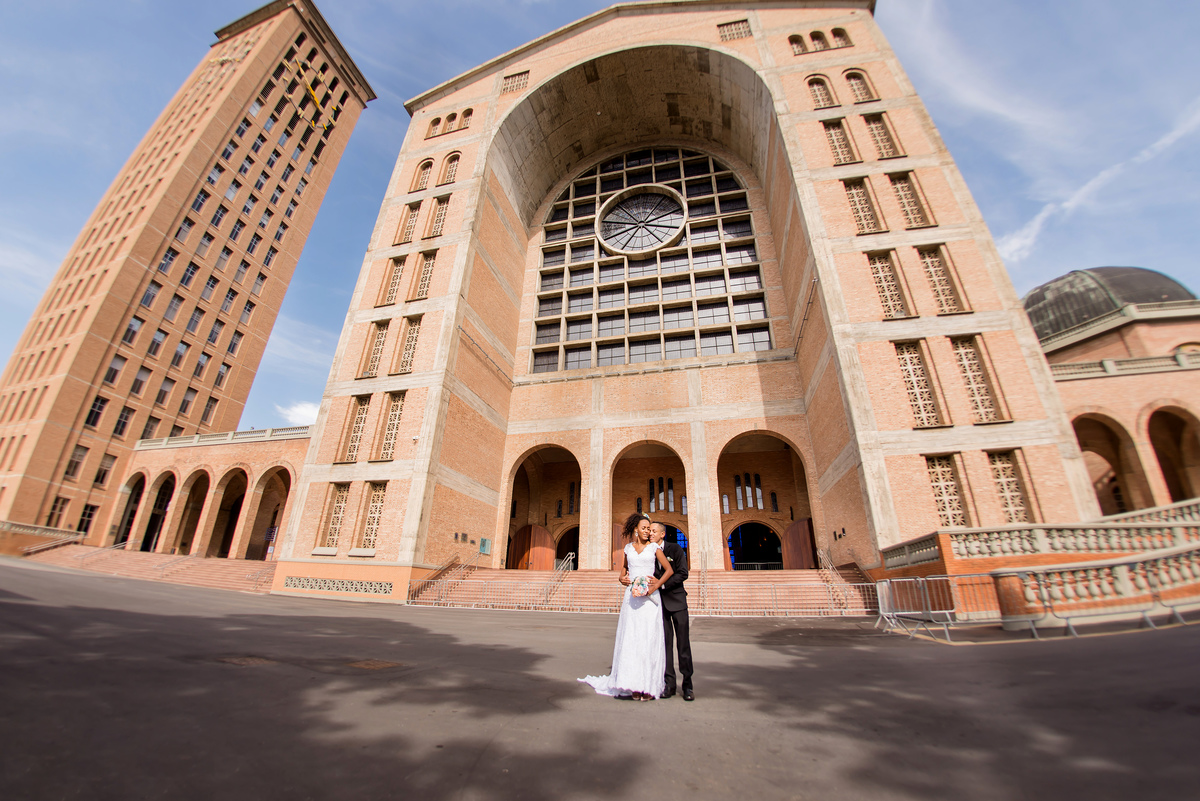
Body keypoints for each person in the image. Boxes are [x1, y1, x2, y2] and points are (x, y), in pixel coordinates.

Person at [579, 512, 673, 701]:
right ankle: (634, 684)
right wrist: (622, 579)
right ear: (636, 530)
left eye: (649, 528)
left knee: (648, 640)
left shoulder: (655, 548)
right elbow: (623, 572)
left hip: (650, 600)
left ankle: (648, 685)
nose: (648, 531)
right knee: (632, 639)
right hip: (632, 599)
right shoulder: (628, 548)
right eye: (644, 528)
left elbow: (669, 570)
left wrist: (656, 585)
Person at [649, 521, 694, 701]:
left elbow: (683, 573)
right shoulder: (650, 552)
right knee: (665, 645)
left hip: (677, 601)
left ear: (662, 534)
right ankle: (669, 685)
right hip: (659, 604)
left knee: (683, 645)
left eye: (653, 531)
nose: (650, 533)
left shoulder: (674, 549)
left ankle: (688, 685)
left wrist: (663, 584)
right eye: (649, 531)